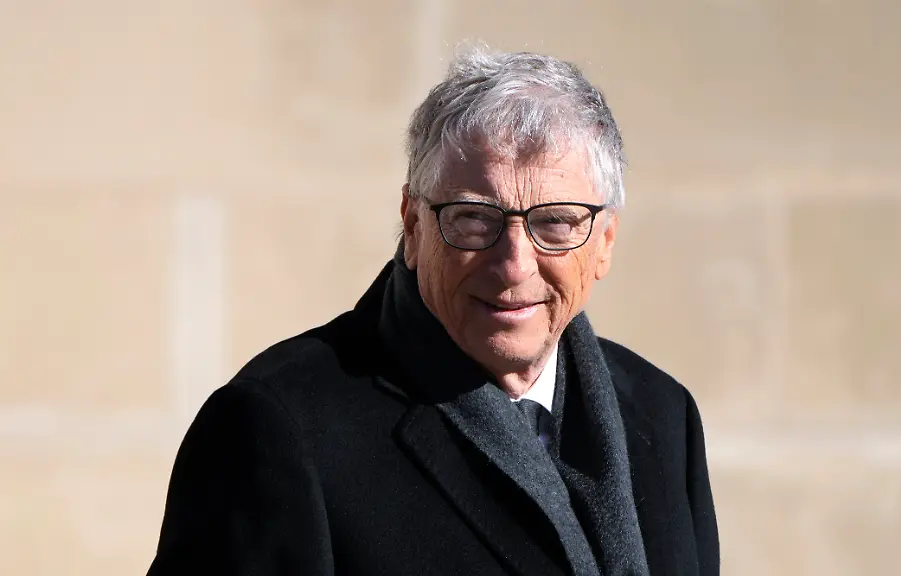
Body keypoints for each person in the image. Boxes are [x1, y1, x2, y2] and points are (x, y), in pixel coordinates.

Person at [147, 43, 719, 576]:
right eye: (473, 218)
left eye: (555, 222)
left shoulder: (663, 415)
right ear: (413, 225)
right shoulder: (277, 428)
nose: (514, 265)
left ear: (605, 243)